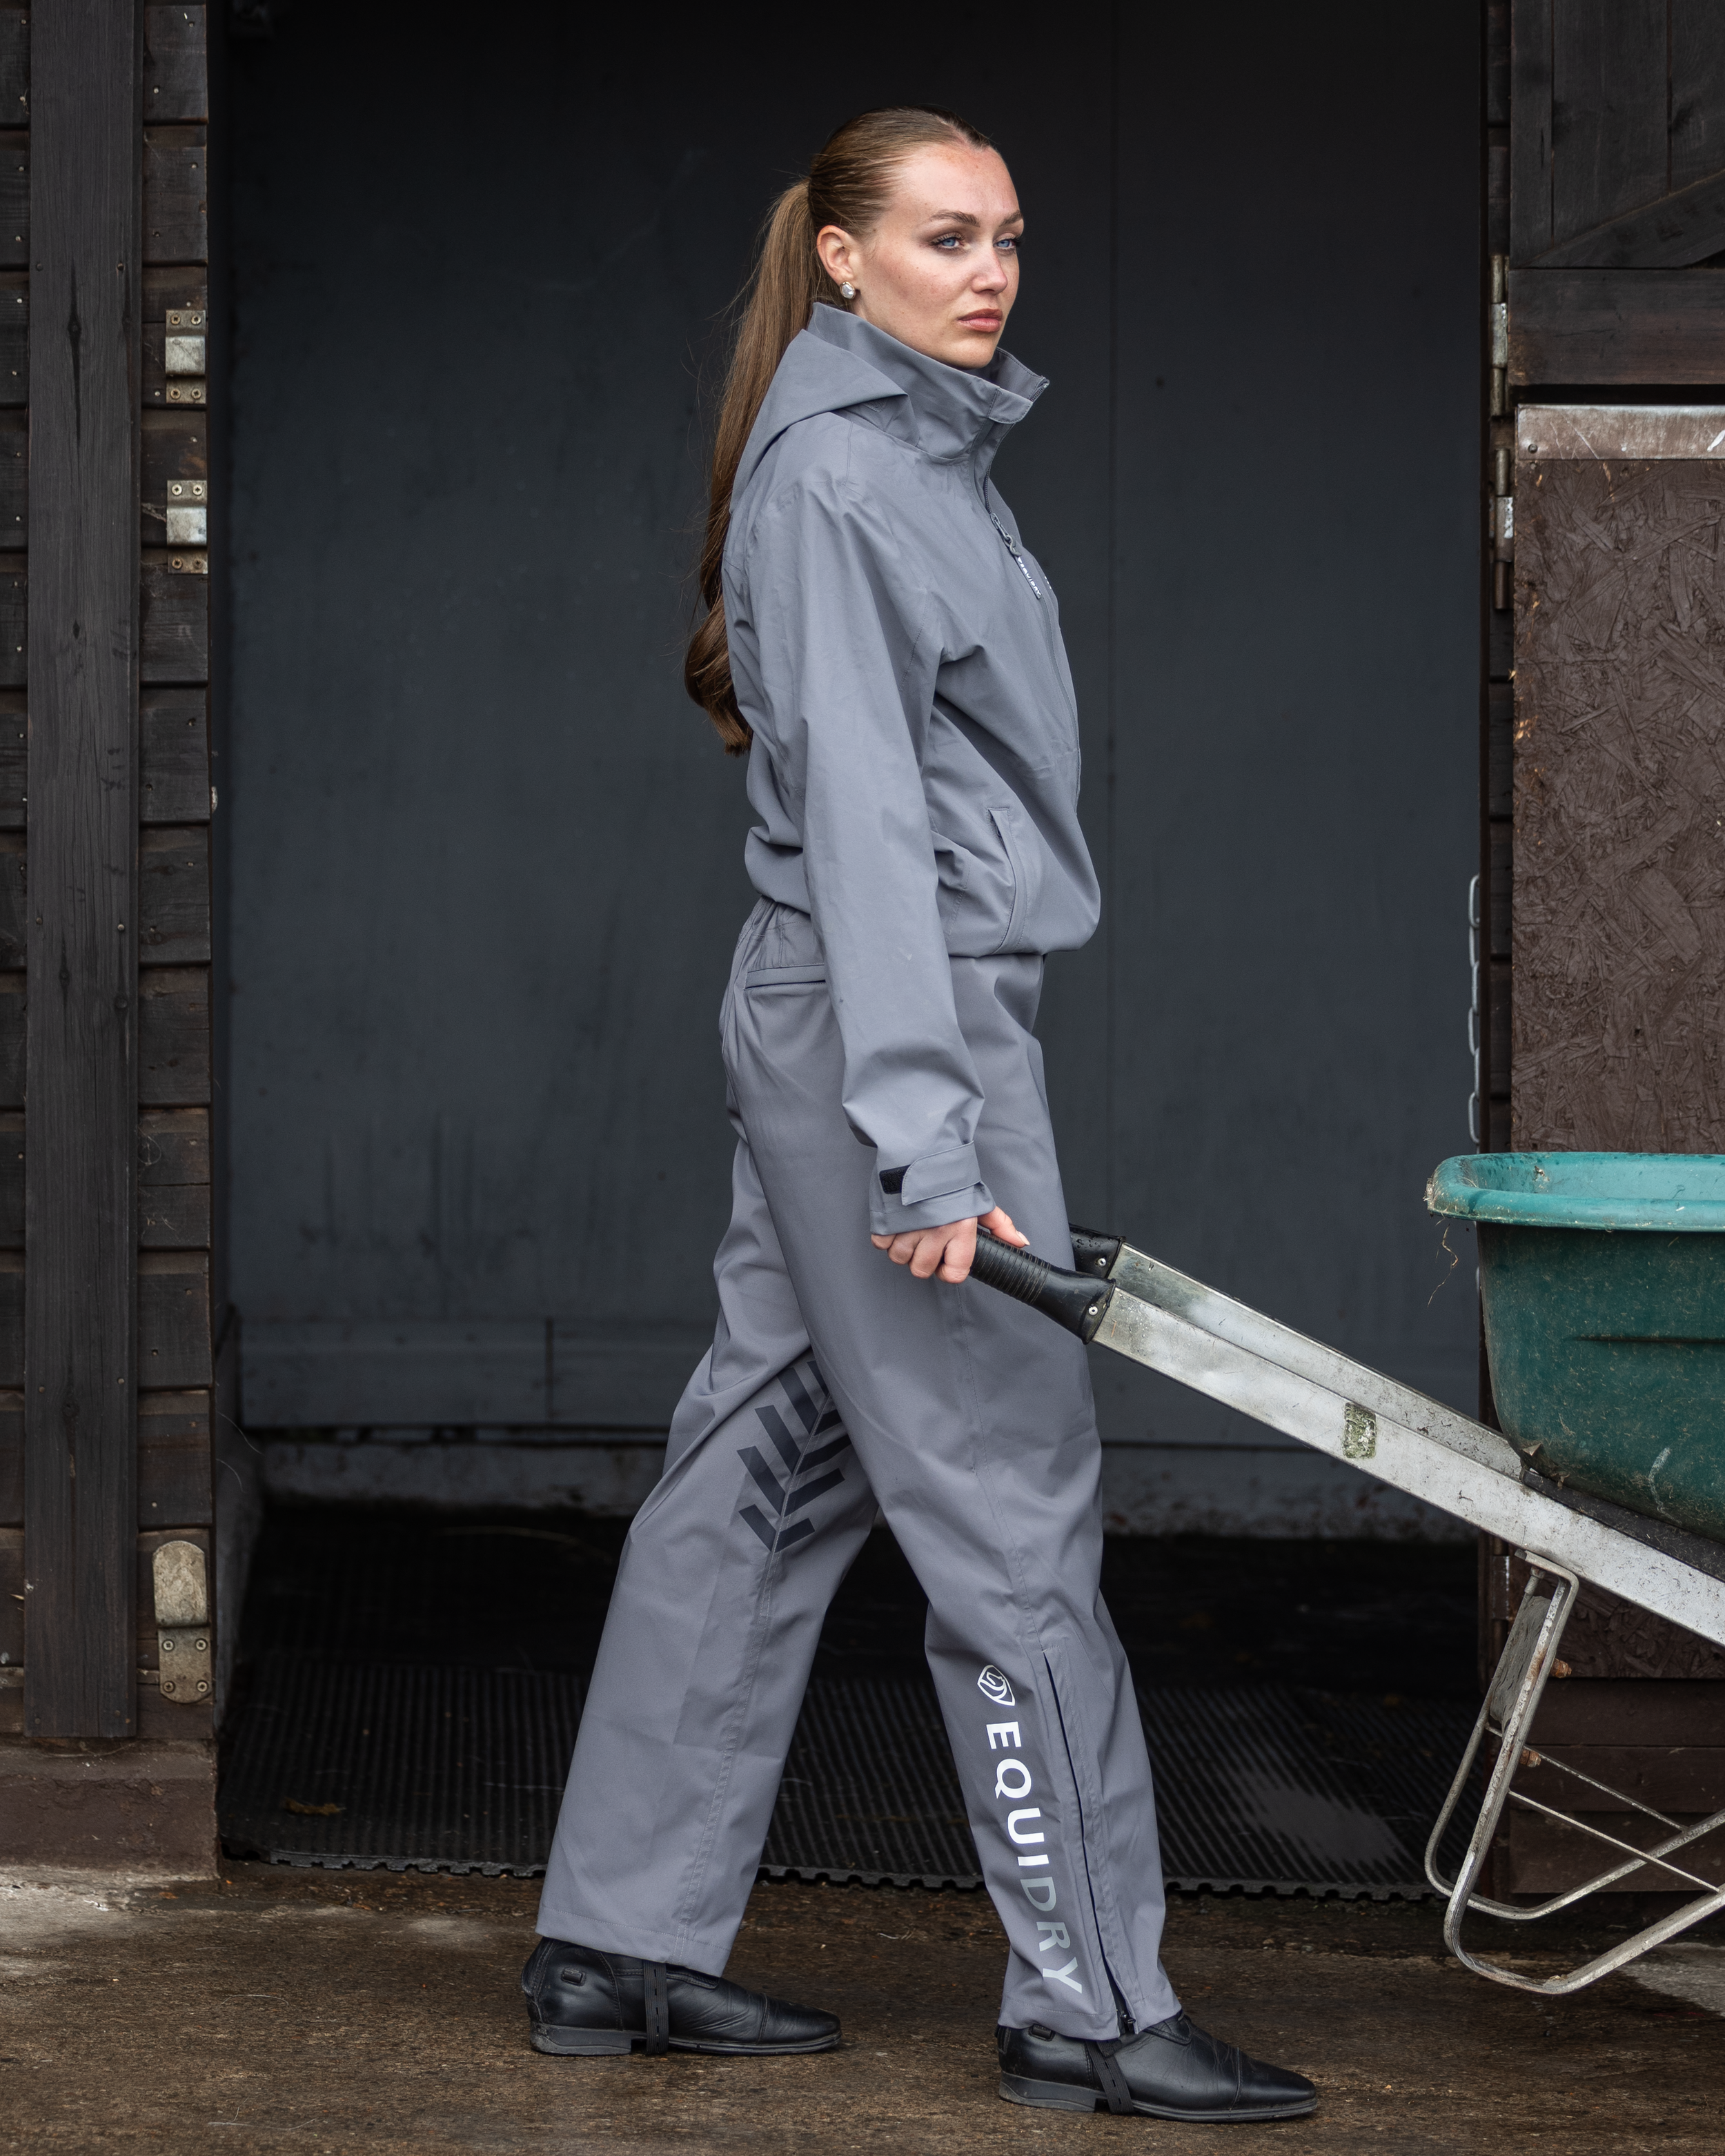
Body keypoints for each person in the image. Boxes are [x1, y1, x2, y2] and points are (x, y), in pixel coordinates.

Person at [522, 106, 1316, 2125]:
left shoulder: (903, 455)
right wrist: (925, 1140)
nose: (989, 273)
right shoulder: (855, 483)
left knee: (764, 1461)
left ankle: (615, 1941)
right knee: (1004, 1501)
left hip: (854, 1014)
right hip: (902, 1028)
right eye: (946, 238)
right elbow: (873, 832)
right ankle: (1088, 1990)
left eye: (1011, 238)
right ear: (846, 259)